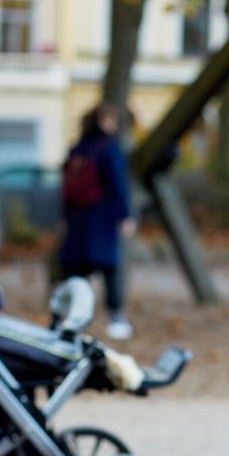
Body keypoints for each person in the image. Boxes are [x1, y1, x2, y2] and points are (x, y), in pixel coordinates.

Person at [58, 103, 136, 340]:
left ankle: (72, 318)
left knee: (78, 272)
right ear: (103, 121)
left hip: (78, 219)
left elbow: (66, 187)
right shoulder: (108, 149)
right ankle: (116, 319)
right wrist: (125, 214)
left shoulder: (78, 149)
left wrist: (64, 217)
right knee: (109, 268)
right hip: (102, 217)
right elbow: (117, 184)